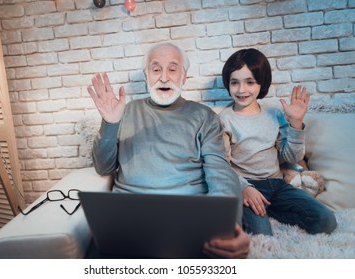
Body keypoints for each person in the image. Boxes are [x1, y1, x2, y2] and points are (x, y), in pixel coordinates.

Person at [87, 42, 250, 258]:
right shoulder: (124, 112)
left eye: (172, 69)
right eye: (156, 69)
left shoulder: (204, 117)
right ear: (146, 76)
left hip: (188, 218)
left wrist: (227, 225)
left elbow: (220, 174)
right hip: (131, 217)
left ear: (183, 77)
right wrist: (110, 123)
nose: (164, 77)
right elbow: (103, 166)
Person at [219, 48, 337, 236]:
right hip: (247, 187)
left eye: (250, 82)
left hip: (277, 184)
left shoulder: (274, 115)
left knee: (326, 221)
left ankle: (274, 210)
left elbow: (291, 156)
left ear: (261, 83)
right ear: (228, 83)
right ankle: (253, 215)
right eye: (235, 82)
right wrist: (244, 188)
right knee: (261, 234)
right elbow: (221, 164)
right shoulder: (224, 119)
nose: (241, 90)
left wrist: (296, 124)